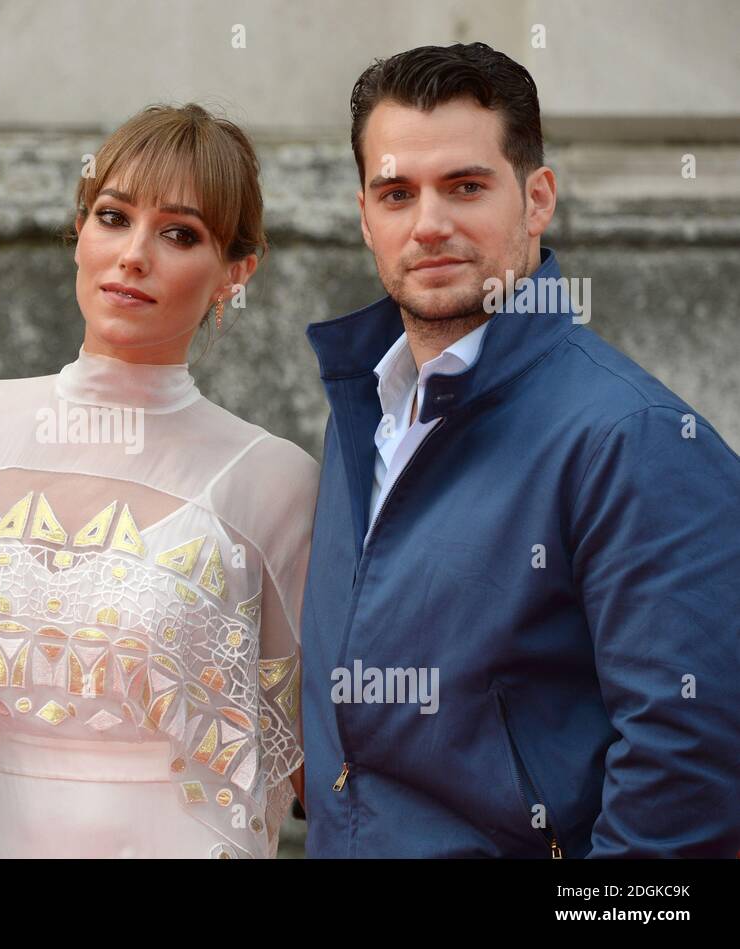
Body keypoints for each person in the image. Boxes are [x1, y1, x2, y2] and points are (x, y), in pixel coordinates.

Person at [301, 43, 740, 857]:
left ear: (537, 199)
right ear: (365, 216)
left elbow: (693, 759)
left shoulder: (634, 438)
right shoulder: (361, 409)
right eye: (396, 193)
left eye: (466, 186)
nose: (428, 223)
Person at [0, 104, 318, 858]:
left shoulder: (276, 481)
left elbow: (327, 762)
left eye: (180, 233)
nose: (134, 255)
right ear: (79, 235)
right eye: (113, 217)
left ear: (235, 272)